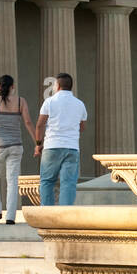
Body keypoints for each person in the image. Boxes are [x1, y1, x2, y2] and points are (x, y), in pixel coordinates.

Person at [0, 75, 35, 223]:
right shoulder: (21, 101)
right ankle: (10, 217)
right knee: (12, 181)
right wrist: (37, 142)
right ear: (13, 86)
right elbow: (27, 122)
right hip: (16, 145)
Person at [35, 73, 87, 206]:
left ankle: (47, 213)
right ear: (71, 87)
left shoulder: (50, 102)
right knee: (68, 183)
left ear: (57, 86)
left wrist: (38, 144)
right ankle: (64, 214)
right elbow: (82, 127)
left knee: (47, 181)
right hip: (72, 147)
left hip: (52, 146)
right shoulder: (80, 104)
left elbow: (40, 124)